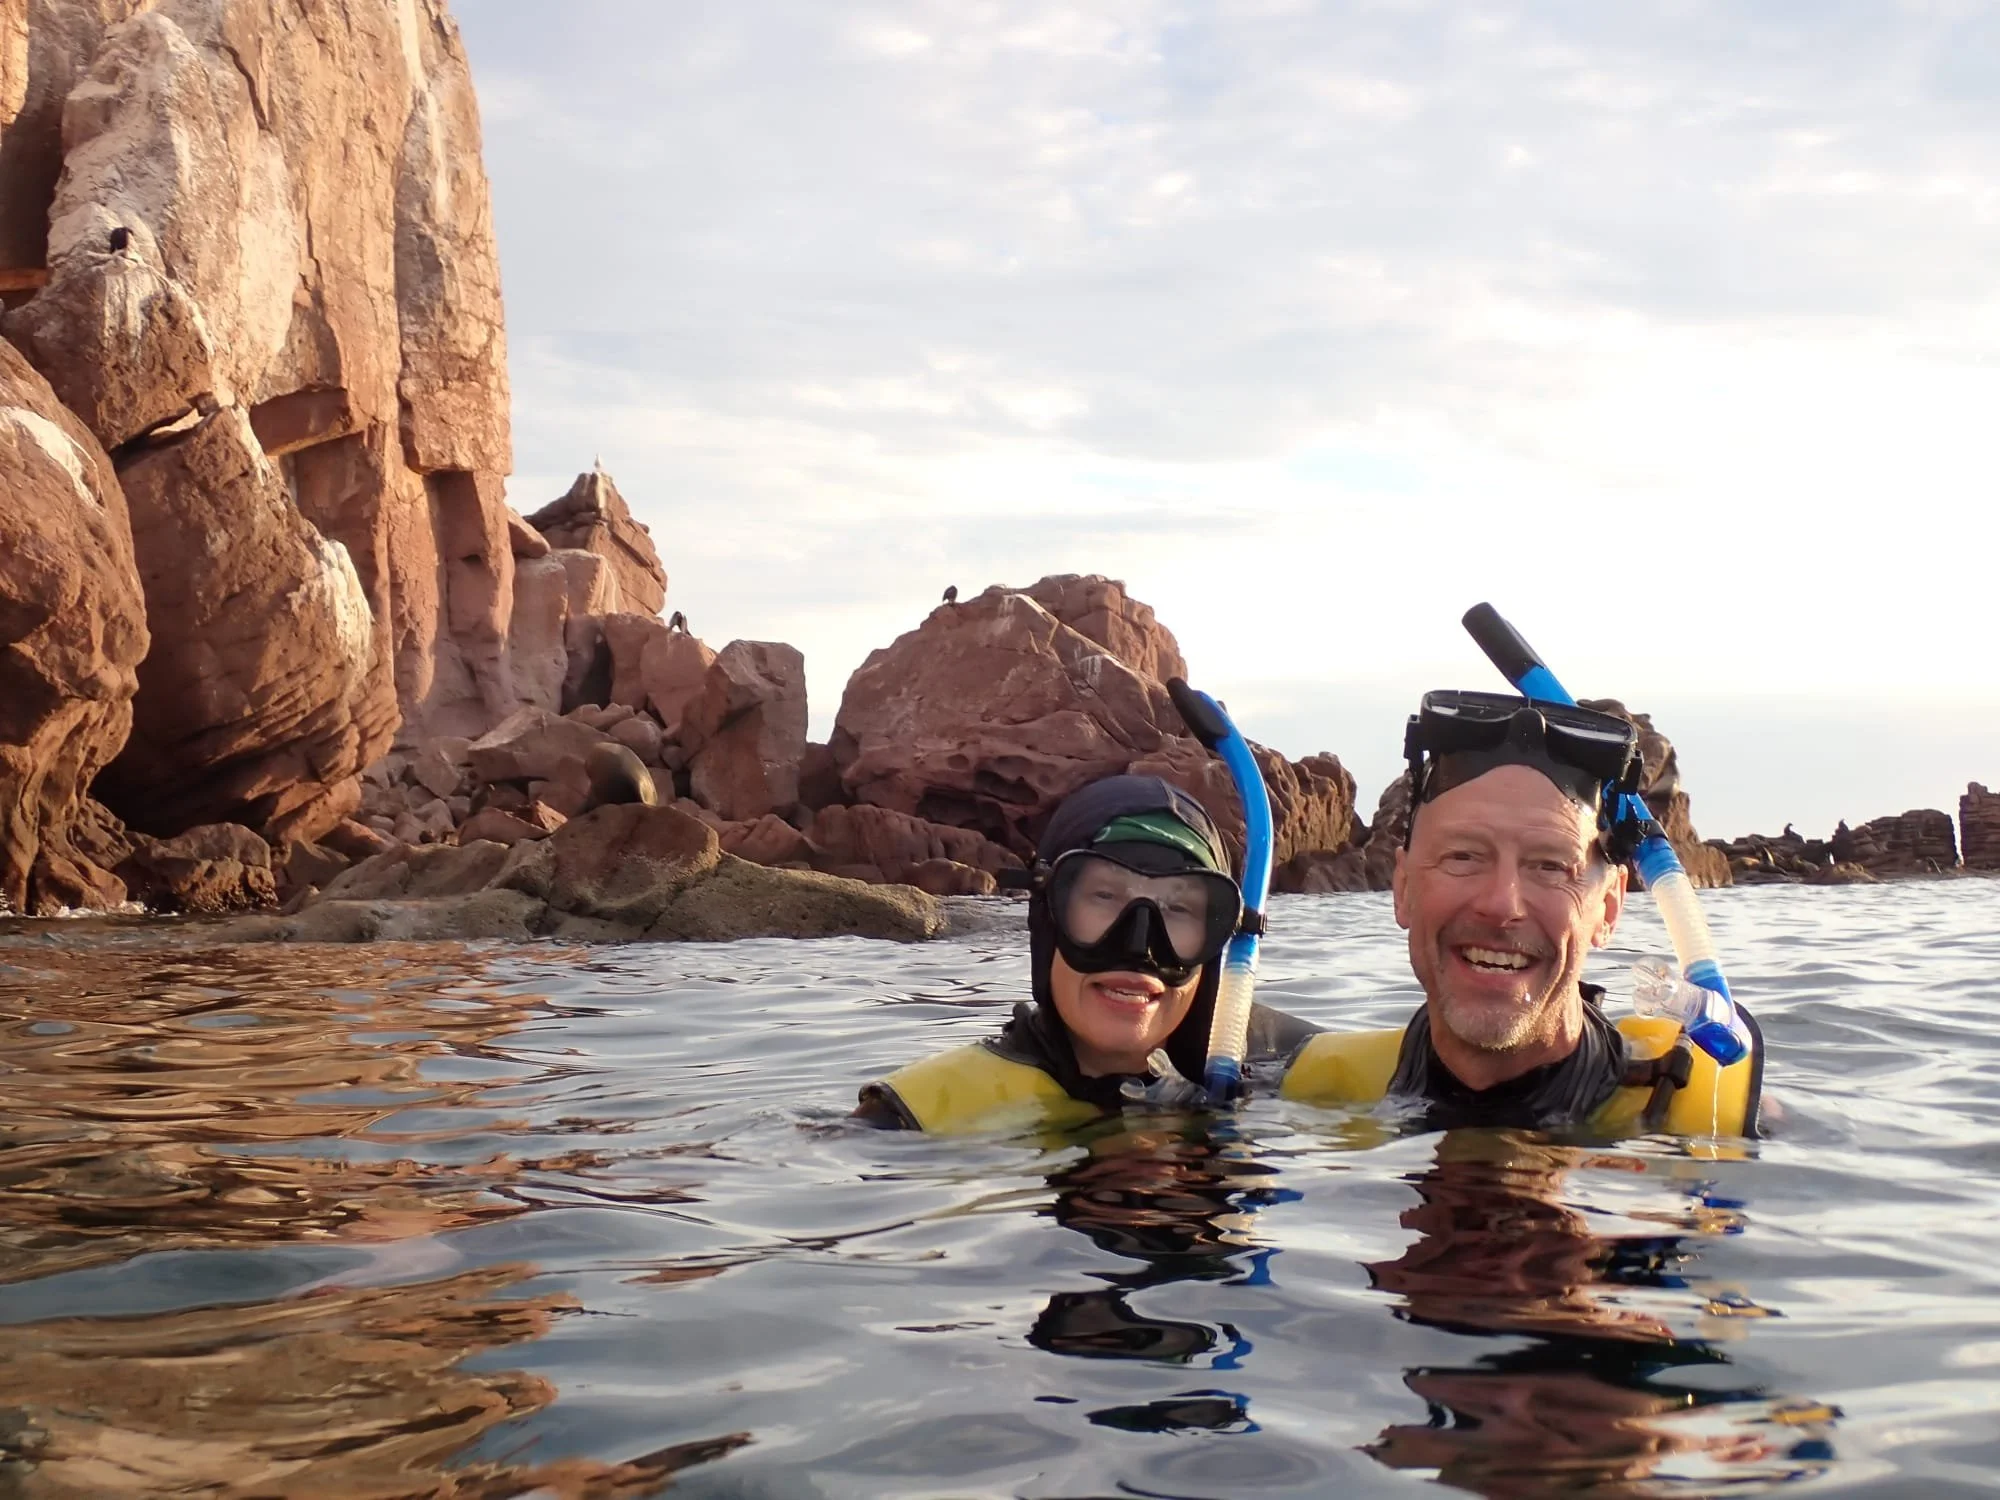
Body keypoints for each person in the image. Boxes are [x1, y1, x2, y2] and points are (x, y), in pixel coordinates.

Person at [1282, 692, 1764, 1135]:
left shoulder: (1702, 1122)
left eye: (1550, 866)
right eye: (1463, 857)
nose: (1501, 904)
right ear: (1403, 887)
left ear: (1609, 908)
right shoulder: (1304, 1098)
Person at [855, 775, 1321, 1132]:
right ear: (1047, 916)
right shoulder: (903, 1124)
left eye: (1179, 908)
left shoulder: (1281, 1066)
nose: (1138, 946)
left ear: (1219, 937)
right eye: (1103, 897)